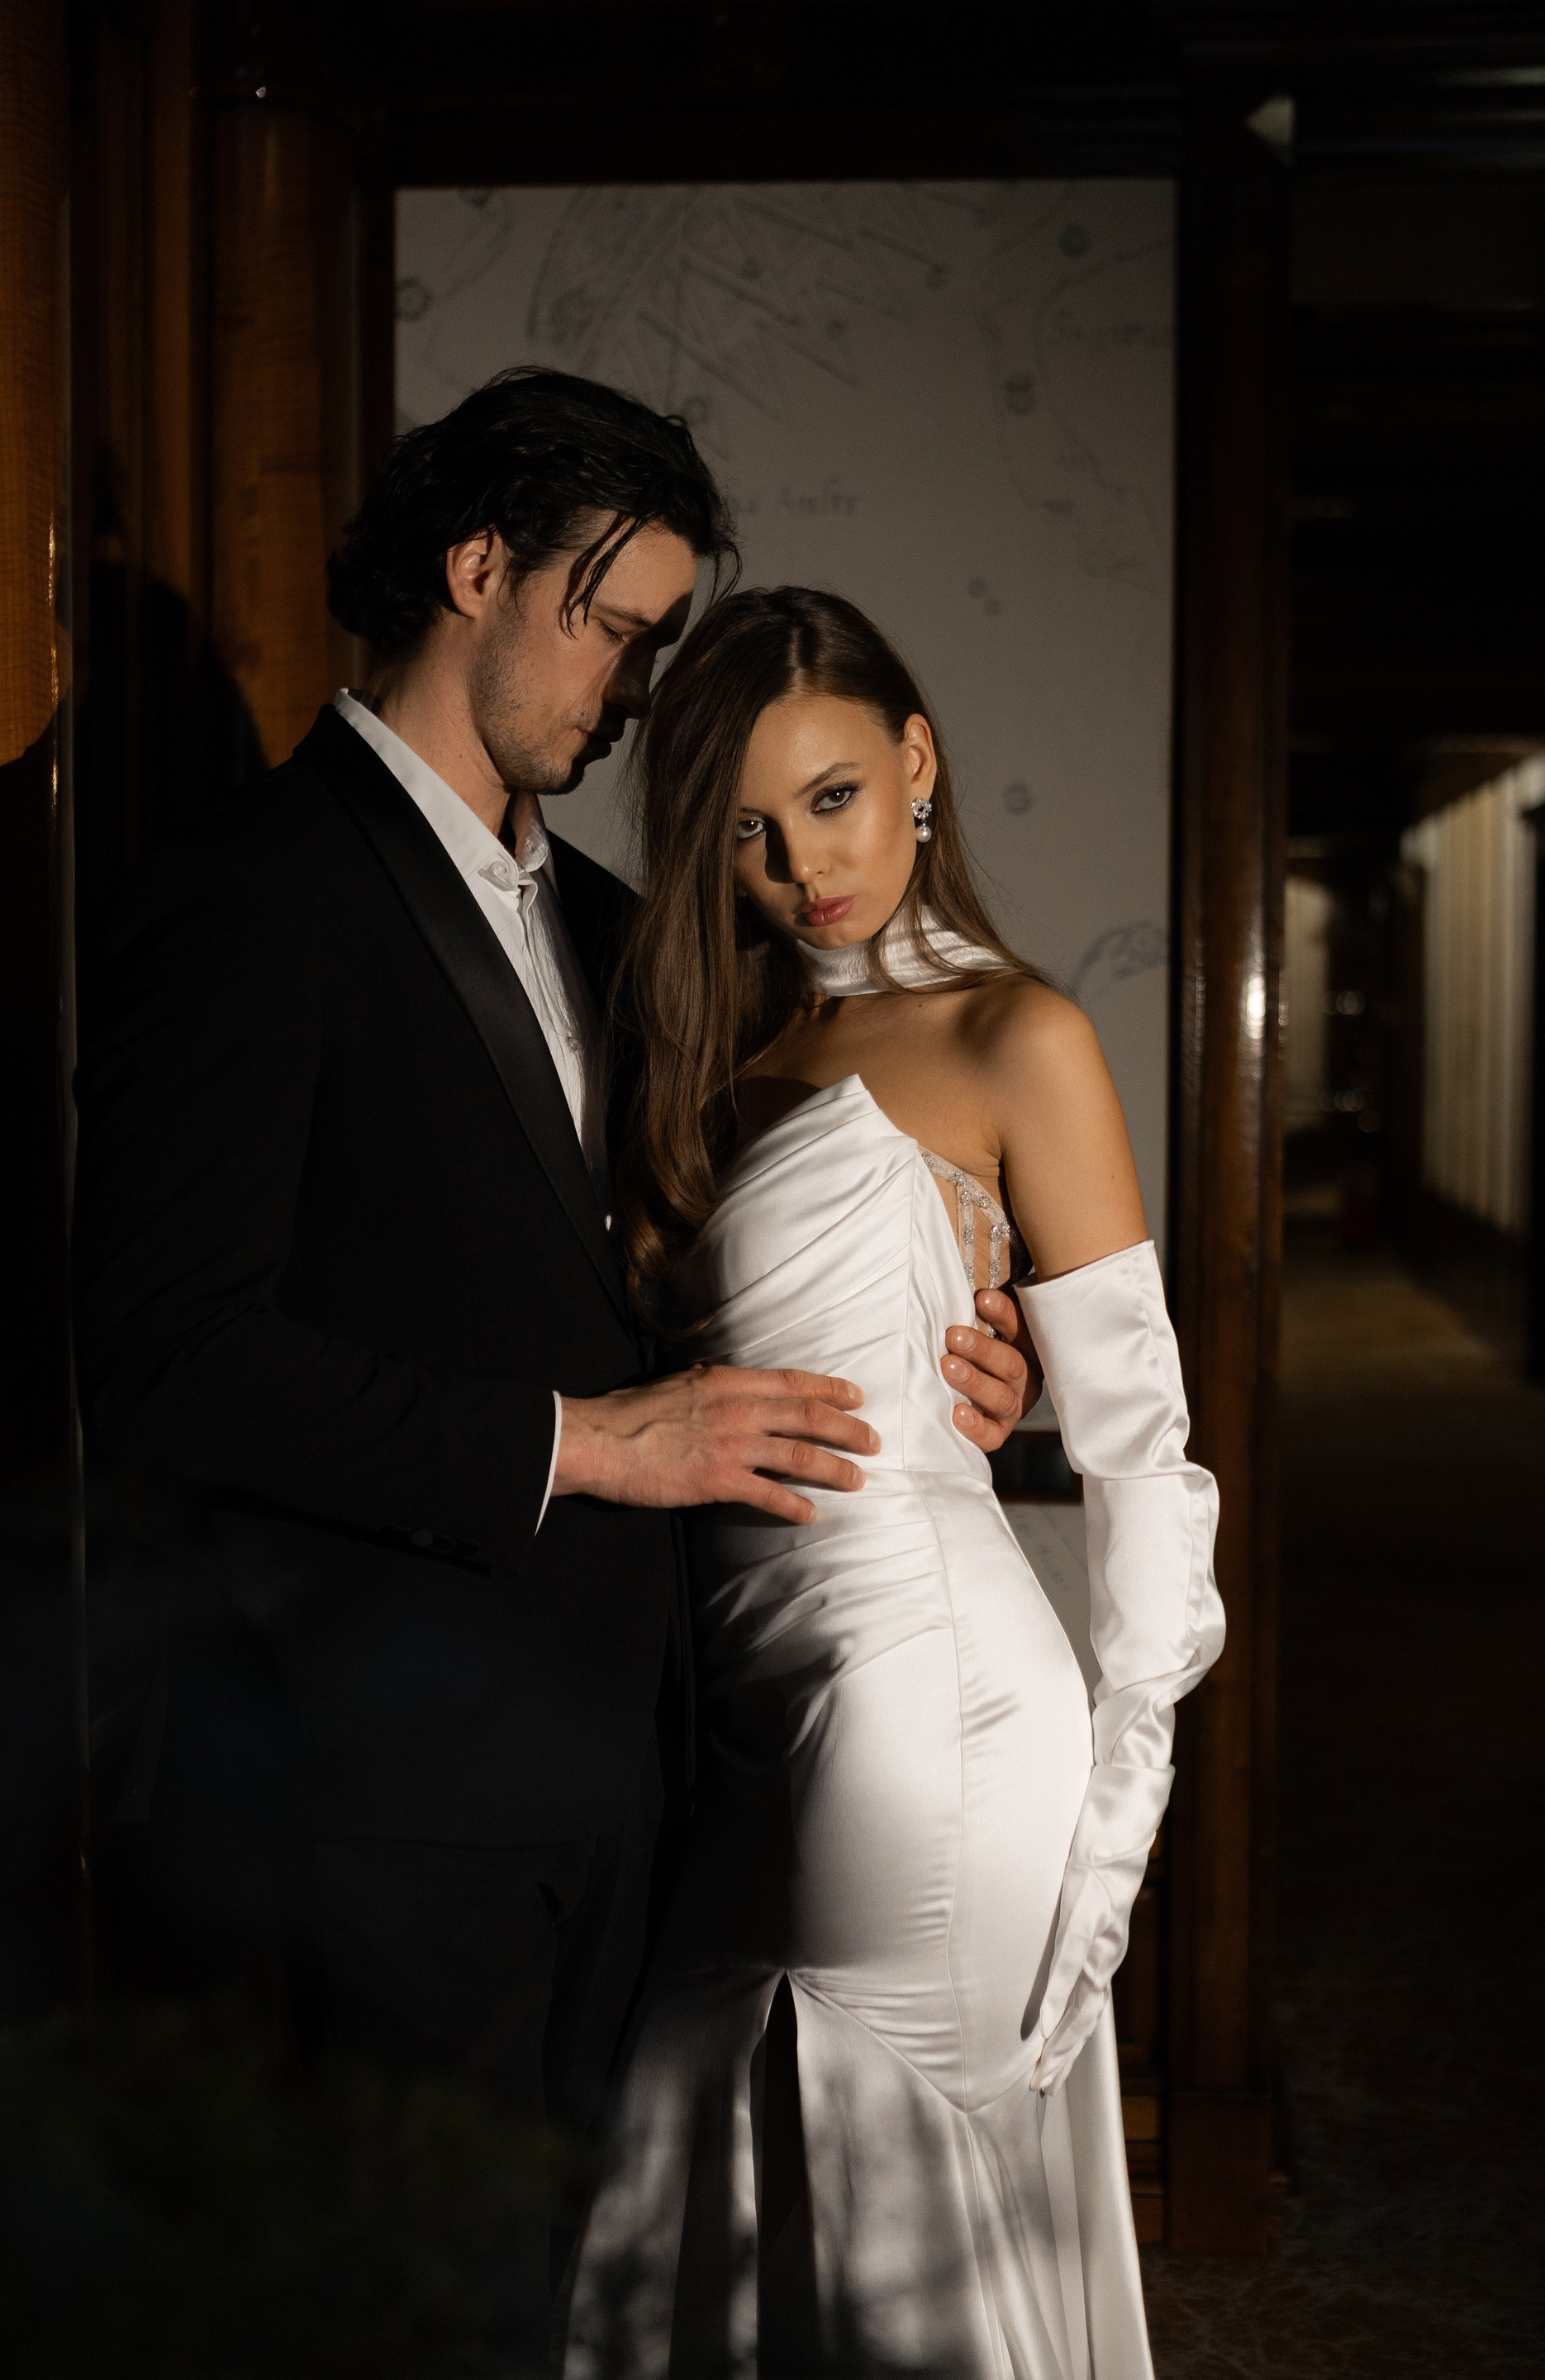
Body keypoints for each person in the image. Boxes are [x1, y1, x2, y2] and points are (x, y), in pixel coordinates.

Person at [71, 374, 1036, 2332]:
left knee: (585, 2322)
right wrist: (585, 1445)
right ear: (476, 566)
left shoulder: (624, 928)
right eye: (612, 625)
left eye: (660, 640)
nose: (635, 689)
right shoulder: (246, 897)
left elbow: (712, 1272)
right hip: (372, 1793)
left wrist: (956, 1347)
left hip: (641, 1768)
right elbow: (166, 1356)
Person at [561, 588, 1226, 2380]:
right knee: (745, 2194)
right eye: (751, 833)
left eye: (836, 798)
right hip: (747, 1687)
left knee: (875, 2221)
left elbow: (1144, 1455)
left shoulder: (1019, 1037)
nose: (805, 869)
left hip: (922, 1697)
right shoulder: (720, 1050)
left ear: (917, 762)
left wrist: (1122, 1821)